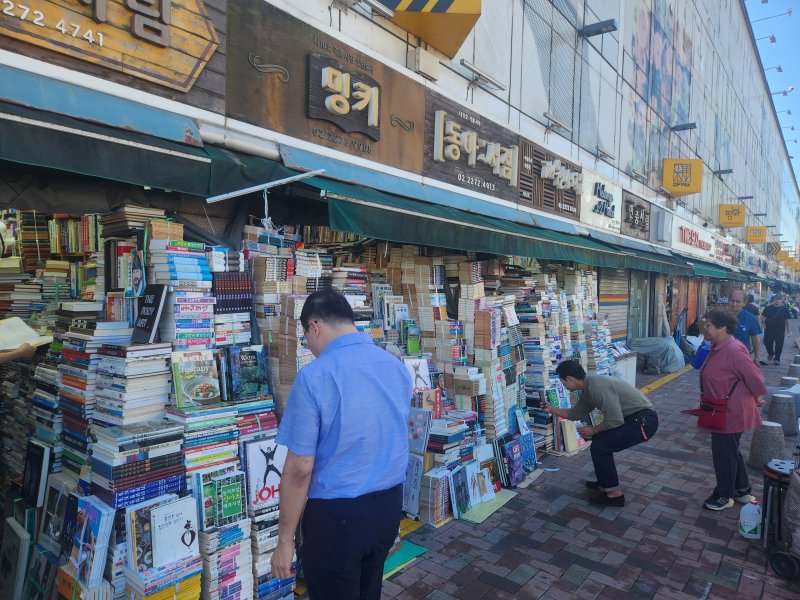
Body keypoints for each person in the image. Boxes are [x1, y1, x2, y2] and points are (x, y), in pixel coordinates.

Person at [270, 289, 412, 600]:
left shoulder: (314, 377)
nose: (308, 344)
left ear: (315, 327)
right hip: (387, 508)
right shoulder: (395, 366)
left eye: (305, 335)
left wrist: (284, 540)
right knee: (368, 590)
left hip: (338, 518)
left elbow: (299, 469)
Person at [542, 360, 658, 507]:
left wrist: (594, 429)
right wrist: (551, 409)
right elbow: (575, 414)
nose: (563, 386)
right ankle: (605, 483)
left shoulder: (596, 386)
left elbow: (615, 419)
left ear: (570, 378)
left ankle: (614, 495)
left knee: (601, 446)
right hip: (633, 419)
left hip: (644, 421)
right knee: (600, 442)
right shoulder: (589, 388)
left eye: (563, 381)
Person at [698, 309, 766, 510]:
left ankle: (724, 495)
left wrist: (756, 396)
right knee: (731, 451)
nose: (705, 328)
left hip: (732, 411)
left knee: (724, 454)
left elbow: (755, 377)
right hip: (720, 408)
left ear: (722, 327)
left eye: (708, 324)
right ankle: (742, 490)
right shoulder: (717, 346)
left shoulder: (734, 349)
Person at [726, 289, 762, 363]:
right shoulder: (720, 316)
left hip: (742, 357)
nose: (734, 304)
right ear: (728, 301)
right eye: (732, 301)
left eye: (738, 302)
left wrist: (757, 358)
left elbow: (755, 339)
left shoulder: (750, 318)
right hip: (722, 356)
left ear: (744, 303)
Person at [761, 294, 793, 365]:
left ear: (781, 300)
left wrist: (789, 330)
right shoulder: (768, 308)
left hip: (780, 330)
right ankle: (771, 353)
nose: (777, 301)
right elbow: (763, 318)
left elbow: (787, 320)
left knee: (779, 345)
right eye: (776, 299)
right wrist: (764, 326)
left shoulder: (785, 309)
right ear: (773, 300)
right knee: (767, 343)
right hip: (769, 329)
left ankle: (777, 359)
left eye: (779, 299)